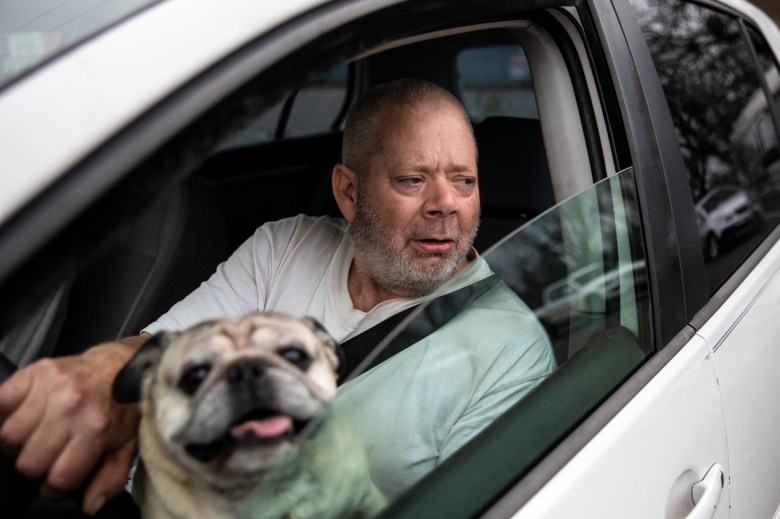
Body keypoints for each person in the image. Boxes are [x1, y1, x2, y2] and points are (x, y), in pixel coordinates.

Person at [0, 79, 555, 513]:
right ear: (349, 191)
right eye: (414, 179)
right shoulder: (284, 244)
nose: (446, 205)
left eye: (464, 180)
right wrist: (102, 375)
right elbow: (162, 349)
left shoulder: (510, 350)